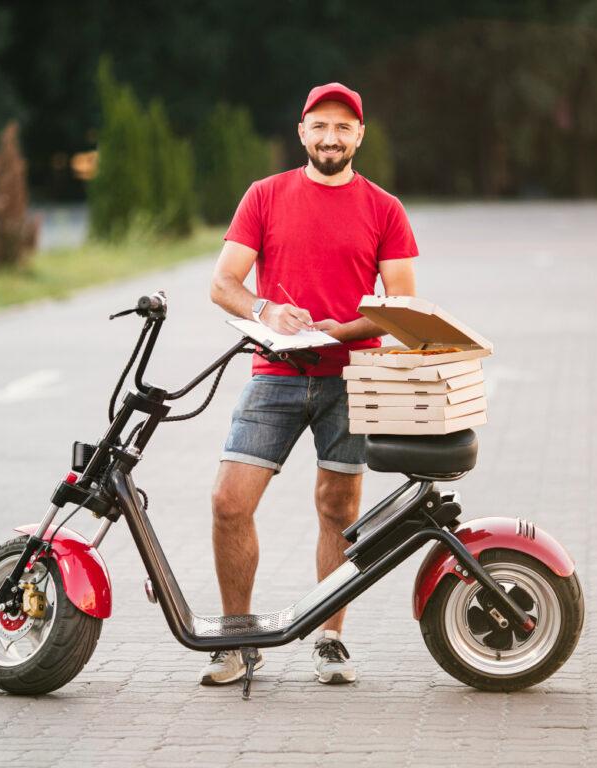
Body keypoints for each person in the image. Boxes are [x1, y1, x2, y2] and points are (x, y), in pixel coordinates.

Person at [201, 82, 418, 686]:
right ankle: (239, 640)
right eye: (319, 126)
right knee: (228, 503)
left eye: (343, 128)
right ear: (302, 133)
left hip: (352, 377)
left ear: (359, 136)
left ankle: (329, 639)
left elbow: (401, 303)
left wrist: (340, 330)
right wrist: (267, 311)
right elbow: (224, 283)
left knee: (339, 510)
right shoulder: (264, 196)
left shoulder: (384, 208)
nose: (331, 137)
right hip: (275, 373)